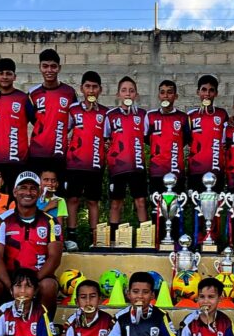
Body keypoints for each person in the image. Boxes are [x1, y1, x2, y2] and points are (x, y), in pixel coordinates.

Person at [0, 171, 62, 323]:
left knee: (49, 286)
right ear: (15, 192)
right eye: (23, 188)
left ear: (39, 192)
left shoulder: (51, 221)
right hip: (9, 279)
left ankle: (45, 330)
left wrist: (32, 284)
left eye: (33, 189)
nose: (28, 192)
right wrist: (12, 286)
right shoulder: (1, 220)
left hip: (39, 277)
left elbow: (55, 257)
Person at [64, 71, 109, 251]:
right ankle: (71, 238)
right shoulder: (73, 109)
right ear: (82, 89)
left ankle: (94, 239)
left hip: (95, 164)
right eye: (88, 87)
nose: (91, 90)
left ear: (100, 90)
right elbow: (63, 130)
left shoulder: (105, 112)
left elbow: (109, 137)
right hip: (74, 163)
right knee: (73, 199)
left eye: (94, 87)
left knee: (92, 201)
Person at [104, 76, 148, 236]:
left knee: (141, 202)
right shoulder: (110, 115)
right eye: (124, 90)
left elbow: (148, 137)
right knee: (116, 203)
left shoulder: (143, 115)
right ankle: (113, 239)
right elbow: (106, 139)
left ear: (136, 94)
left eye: (131, 91)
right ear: (118, 94)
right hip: (117, 167)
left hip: (137, 166)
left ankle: (145, 239)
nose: (128, 94)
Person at [0, 58, 35, 193]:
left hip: (18, 158)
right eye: (1, 73)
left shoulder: (23, 98)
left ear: (15, 76)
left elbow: (37, 122)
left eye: (8, 73)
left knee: (16, 196)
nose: (5, 77)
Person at [27, 49, 77, 181]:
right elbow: (32, 119)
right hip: (37, 153)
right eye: (45, 66)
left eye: (53, 66)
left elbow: (73, 120)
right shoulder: (32, 93)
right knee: (37, 189)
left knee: (58, 189)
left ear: (59, 68)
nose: (49, 70)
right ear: (39, 67)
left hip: (59, 152)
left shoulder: (69, 92)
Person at [145, 79, 189, 194]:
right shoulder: (150, 116)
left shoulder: (183, 117)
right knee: (157, 203)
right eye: (162, 92)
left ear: (176, 96)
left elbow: (186, 139)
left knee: (177, 203)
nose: (165, 96)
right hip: (156, 171)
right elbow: (146, 138)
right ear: (159, 96)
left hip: (176, 171)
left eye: (169, 92)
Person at [187, 74, 229, 192]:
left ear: (216, 93)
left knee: (216, 202)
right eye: (204, 90)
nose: (207, 94)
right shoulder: (190, 115)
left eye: (211, 90)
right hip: (195, 170)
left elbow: (227, 139)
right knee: (196, 201)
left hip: (216, 169)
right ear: (198, 92)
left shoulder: (222, 114)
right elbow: (186, 140)